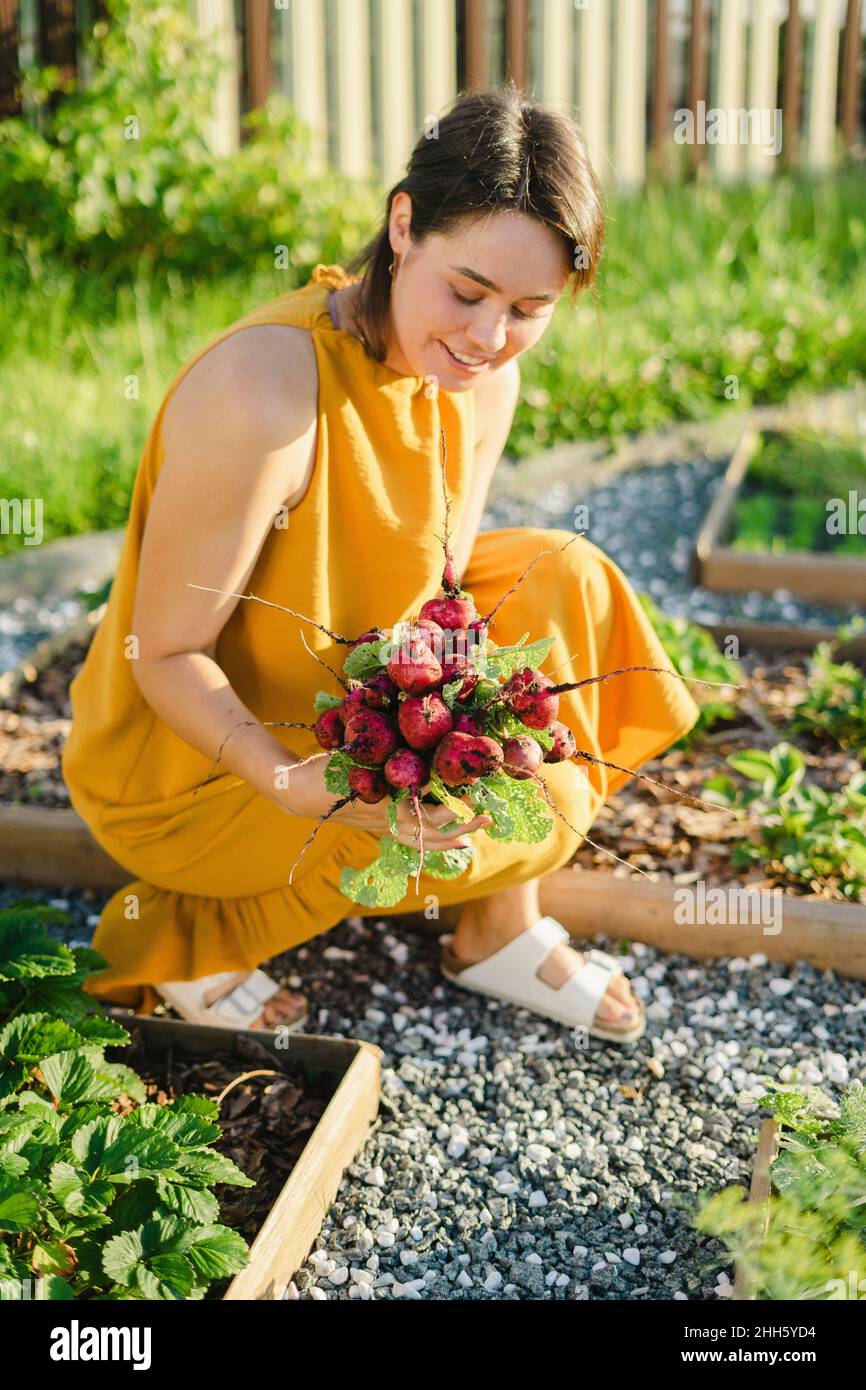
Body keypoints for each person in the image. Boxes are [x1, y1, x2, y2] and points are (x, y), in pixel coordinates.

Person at [62, 84, 698, 1039]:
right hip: (203, 761)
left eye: (530, 308)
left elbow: (440, 598)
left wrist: (451, 735)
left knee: (561, 582)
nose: (489, 338)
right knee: (490, 800)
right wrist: (291, 780)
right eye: (468, 292)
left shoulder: (483, 379)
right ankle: (193, 931)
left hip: (342, 689)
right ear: (403, 226)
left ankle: (496, 922)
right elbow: (163, 655)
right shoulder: (266, 394)